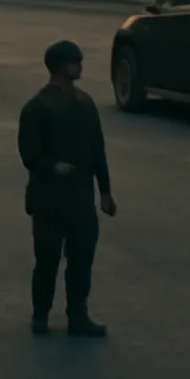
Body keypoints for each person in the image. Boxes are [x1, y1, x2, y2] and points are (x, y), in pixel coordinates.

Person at [18, 40, 116, 337]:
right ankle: (40, 315)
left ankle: (78, 315)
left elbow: (98, 149)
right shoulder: (37, 107)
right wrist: (53, 167)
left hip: (81, 198)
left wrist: (105, 191)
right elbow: (29, 154)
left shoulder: (85, 103)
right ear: (61, 66)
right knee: (47, 260)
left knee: (82, 259)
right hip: (49, 199)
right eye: (75, 61)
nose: (80, 66)